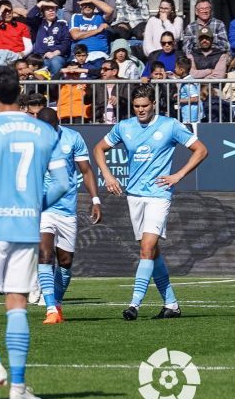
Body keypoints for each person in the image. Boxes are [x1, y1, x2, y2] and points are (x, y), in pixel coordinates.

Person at [0, 65, 69, 399]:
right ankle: (18, 388)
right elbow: (64, 183)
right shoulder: (45, 132)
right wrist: (36, 208)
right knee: (17, 303)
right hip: (26, 227)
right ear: (20, 90)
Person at [93, 85, 208, 320]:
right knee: (152, 252)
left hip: (158, 195)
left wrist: (178, 175)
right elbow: (98, 148)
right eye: (136, 107)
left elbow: (201, 150)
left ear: (153, 104)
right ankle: (172, 305)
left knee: (146, 249)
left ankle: (134, 304)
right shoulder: (124, 127)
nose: (141, 110)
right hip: (134, 196)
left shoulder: (170, 125)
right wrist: (107, 174)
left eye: (145, 106)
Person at [32, 107, 101, 324]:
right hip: (42, 207)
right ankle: (50, 308)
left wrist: (95, 200)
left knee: (65, 261)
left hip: (67, 209)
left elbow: (86, 171)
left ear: (57, 123)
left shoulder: (73, 138)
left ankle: (57, 306)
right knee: (45, 255)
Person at [27, 0, 71, 78]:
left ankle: (52, 88)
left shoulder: (62, 24)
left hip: (57, 55)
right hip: (40, 56)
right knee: (42, 63)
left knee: (55, 62)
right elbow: (29, 17)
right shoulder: (38, 23)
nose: (51, 11)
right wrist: (41, 4)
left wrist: (54, 53)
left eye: (53, 8)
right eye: (47, 9)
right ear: (43, 12)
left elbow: (66, 42)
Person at [70, 0, 112, 64]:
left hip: (99, 54)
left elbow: (110, 11)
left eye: (90, 4)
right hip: (80, 55)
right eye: (84, 4)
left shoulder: (100, 16)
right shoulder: (76, 17)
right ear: (80, 6)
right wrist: (98, 30)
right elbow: (76, 35)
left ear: (94, 5)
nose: (87, 6)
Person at [172, 57, 202, 123]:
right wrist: (179, 94)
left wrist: (180, 100)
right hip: (188, 114)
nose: (175, 69)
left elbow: (195, 98)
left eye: (176, 68)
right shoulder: (187, 80)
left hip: (191, 115)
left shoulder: (188, 83)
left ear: (182, 70)